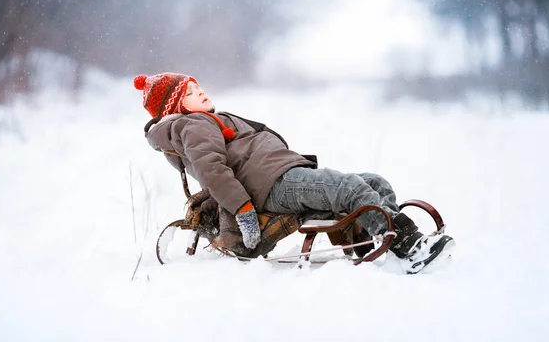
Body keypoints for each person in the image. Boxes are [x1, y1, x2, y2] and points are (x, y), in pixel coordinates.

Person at [134, 72, 455, 274]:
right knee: (349, 188)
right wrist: (244, 210)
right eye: (190, 92)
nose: (201, 92)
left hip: (282, 174)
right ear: (175, 108)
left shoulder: (209, 120)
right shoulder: (193, 125)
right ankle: (410, 247)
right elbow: (211, 170)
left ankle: (374, 241)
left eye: (198, 86)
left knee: (373, 182)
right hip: (271, 186)